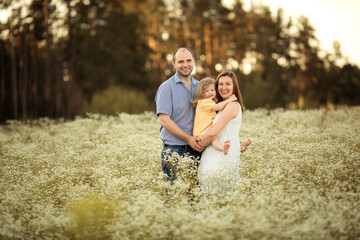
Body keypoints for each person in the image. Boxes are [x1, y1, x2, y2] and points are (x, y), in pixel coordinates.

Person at [155, 47, 204, 182]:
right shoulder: (166, 87)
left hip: (198, 149)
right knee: (171, 195)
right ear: (174, 64)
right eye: (181, 61)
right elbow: (164, 120)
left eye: (188, 60)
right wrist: (188, 139)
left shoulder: (200, 87)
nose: (185, 65)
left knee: (194, 196)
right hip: (173, 149)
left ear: (193, 61)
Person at [197, 71, 250, 193]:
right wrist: (238, 144)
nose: (224, 87)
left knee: (216, 194)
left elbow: (212, 133)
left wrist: (198, 145)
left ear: (234, 86)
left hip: (219, 158)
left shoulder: (231, 105)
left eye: (228, 84)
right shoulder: (222, 106)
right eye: (220, 84)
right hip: (216, 155)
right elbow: (227, 131)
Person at [191, 77, 238, 155]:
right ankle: (222, 148)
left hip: (206, 129)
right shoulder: (204, 102)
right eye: (206, 91)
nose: (210, 92)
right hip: (201, 132)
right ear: (201, 93)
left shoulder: (209, 101)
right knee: (213, 138)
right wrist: (229, 100)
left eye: (212, 90)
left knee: (218, 136)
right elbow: (218, 107)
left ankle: (238, 145)